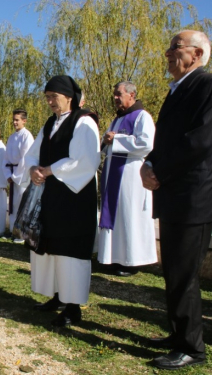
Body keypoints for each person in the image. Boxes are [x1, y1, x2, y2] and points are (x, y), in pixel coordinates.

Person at [141, 30, 212, 371]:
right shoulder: (177, 90)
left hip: (193, 197)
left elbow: (199, 142)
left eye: (175, 47)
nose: (167, 52)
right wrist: (149, 163)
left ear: (197, 54)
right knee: (172, 271)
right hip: (173, 195)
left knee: (185, 276)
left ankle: (193, 349)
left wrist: (160, 170)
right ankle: (177, 333)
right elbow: (165, 138)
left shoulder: (206, 87)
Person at [24, 75, 100, 327]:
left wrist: (47, 170)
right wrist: (34, 167)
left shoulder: (83, 121)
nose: (49, 102)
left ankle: (73, 306)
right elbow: (32, 153)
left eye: (53, 97)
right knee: (51, 246)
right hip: (51, 197)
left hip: (74, 199)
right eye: (47, 98)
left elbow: (85, 160)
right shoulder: (49, 124)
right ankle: (57, 296)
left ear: (69, 97)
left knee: (69, 250)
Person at [97, 82, 157, 276]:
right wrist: (106, 141)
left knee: (129, 215)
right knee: (115, 214)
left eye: (118, 94)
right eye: (114, 94)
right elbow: (108, 144)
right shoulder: (116, 120)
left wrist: (117, 140)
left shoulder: (142, 116)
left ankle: (132, 261)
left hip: (131, 173)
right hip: (113, 171)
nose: (115, 98)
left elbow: (147, 144)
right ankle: (113, 258)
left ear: (131, 95)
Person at [3, 109, 34, 242]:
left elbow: (25, 158)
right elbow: (6, 158)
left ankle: (22, 233)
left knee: (22, 203)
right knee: (14, 204)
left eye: (17, 120)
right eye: (14, 120)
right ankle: (13, 231)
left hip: (22, 175)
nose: (14, 122)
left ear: (24, 121)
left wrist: (15, 175)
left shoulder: (27, 136)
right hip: (12, 172)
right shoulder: (11, 137)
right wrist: (7, 174)